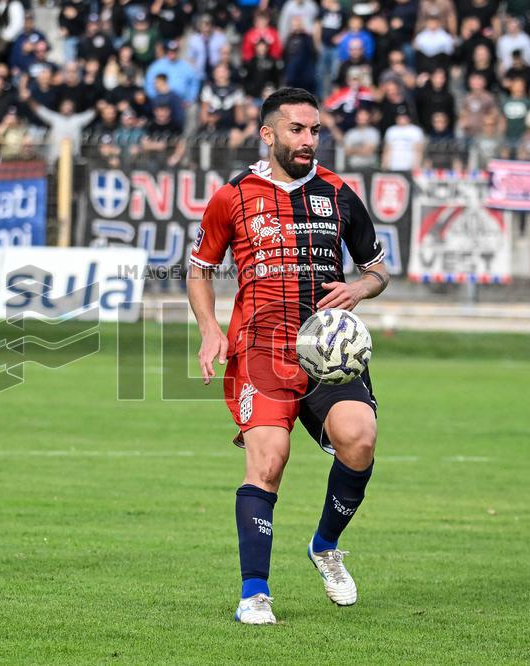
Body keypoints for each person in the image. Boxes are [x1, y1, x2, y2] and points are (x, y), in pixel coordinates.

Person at [187, 87, 388, 625]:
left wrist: (360, 290)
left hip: (329, 350)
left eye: (315, 130)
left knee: (360, 440)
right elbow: (199, 269)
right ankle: (255, 592)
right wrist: (209, 331)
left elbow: (377, 269)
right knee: (269, 461)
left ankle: (325, 545)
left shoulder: (339, 193)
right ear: (268, 133)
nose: (308, 140)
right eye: (297, 130)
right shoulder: (233, 195)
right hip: (262, 348)